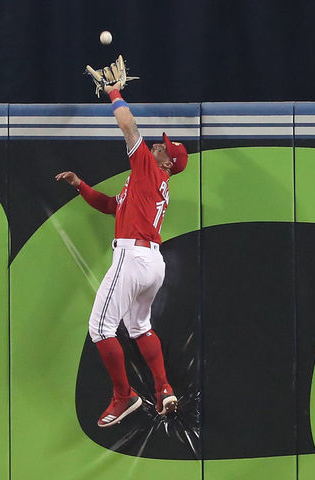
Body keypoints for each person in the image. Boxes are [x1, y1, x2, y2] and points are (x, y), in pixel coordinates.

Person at [55, 82, 188, 428]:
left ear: (168, 163)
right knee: (139, 326)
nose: (160, 145)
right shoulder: (147, 184)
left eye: (165, 148)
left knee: (100, 328)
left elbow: (127, 125)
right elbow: (113, 206)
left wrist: (114, 93)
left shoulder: (148, 169)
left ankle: (124, 395)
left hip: (132, 258)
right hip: (152, 263)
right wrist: (81, 186)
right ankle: (163, 389)